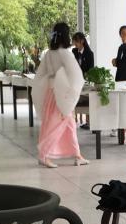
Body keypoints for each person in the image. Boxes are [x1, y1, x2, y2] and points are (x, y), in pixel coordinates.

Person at [33, 22, 87, 168]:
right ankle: (44, 154)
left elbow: (41, 74)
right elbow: (76, 75)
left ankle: (77, 155)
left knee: (66, 125)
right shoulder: (65, 54)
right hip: (61, 95)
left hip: (50, 94)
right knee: (55, 125)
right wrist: (71, 94)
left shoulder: (48, 54)